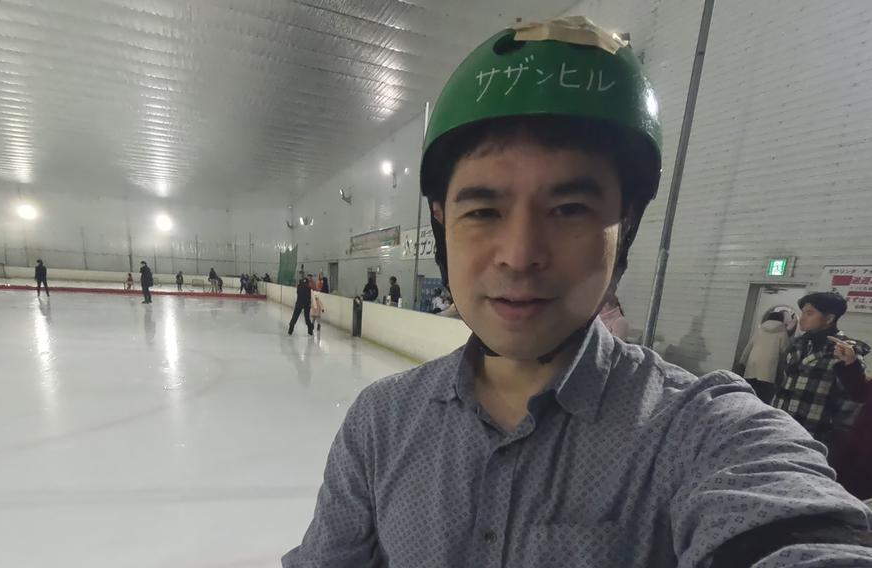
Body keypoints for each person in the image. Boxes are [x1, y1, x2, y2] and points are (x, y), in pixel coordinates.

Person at [284, 17, 872, 568]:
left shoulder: (699, 431)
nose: (519, 253)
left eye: (569, 209)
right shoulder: (382, 424)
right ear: (441, 224)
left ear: (627, 228)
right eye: (483, 210)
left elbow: (798, 529)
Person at [771, 292, 870, 450]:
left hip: (815, 432)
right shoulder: (799, 344)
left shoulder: (844, 349)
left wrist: (852, 364)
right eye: (803, 312)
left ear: (829, 319)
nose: (802, 318)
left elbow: (856, 391)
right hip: (782, 424)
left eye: (810, 313)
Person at [737, 311, 790, 404]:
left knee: (750, 392)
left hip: (752, 364)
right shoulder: (783, 332)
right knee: (764, 396)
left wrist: (742, 361)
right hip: (768, 368)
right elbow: (784, 351)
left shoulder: (760, 329)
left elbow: (749, 347)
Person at [288, 271, 314, 336]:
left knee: (296, 316)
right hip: (305, 303)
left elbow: (299, 292)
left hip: (301, 303)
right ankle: (310, 329)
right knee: (306, 317)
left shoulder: (300, 285)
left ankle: (291, 329)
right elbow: (309, 295)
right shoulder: (307, 286)